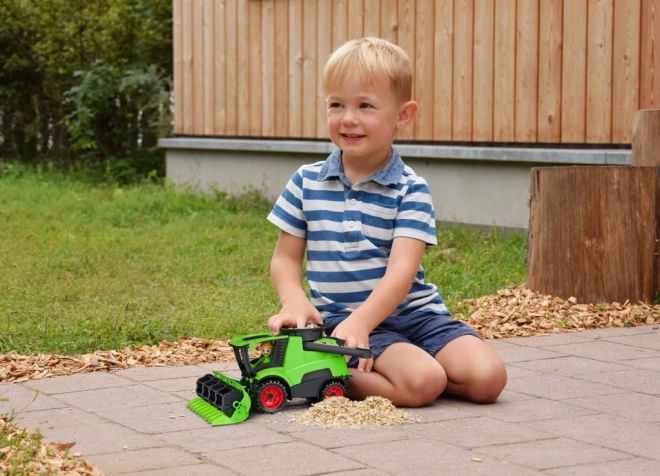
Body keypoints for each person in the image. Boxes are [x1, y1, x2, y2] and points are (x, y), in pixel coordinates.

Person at [266, 37, 507, 407]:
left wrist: (366, 320)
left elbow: (401, 271)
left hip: (417, 315)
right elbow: (285, 258)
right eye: (337, 104)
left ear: (403, 115)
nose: (348, 117)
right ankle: (324, 374)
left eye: (365, 105)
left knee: (489, 380)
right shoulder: (306, 181)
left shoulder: (410, 188)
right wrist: (294, 300)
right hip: (345, 322)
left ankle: (402, 368)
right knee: (423, 384)